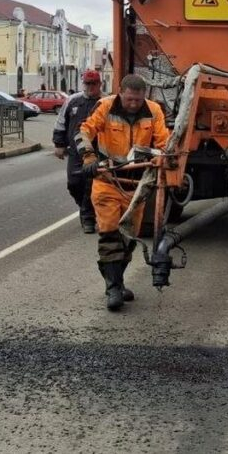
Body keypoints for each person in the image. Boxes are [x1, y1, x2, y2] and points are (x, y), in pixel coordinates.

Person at [77, 73, 170, 311]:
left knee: (128, 238)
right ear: (121, 92)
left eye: (137, 100)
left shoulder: (154, 111)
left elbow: (163, 142)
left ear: (144, 96)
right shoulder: (105, 107)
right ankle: (113, 289)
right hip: (107, 180)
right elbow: (84, 132)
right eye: (129, 99)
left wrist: (163, 158)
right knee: (109, 234)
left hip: (136, 186)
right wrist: (89, 156)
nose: (133, 104)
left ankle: (117, 281)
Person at [53, 70, 104, 234]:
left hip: (97, 152)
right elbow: (61, 122)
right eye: (87, 84)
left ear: (99, 84)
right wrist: (59, 144)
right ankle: (84, 208)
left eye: (94, 84)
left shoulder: (105, 102)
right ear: (84, 84)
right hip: (75, 152)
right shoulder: (73, 101)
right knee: (74, 184)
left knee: (91, 185)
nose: (90, 87)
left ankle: (88, 218)